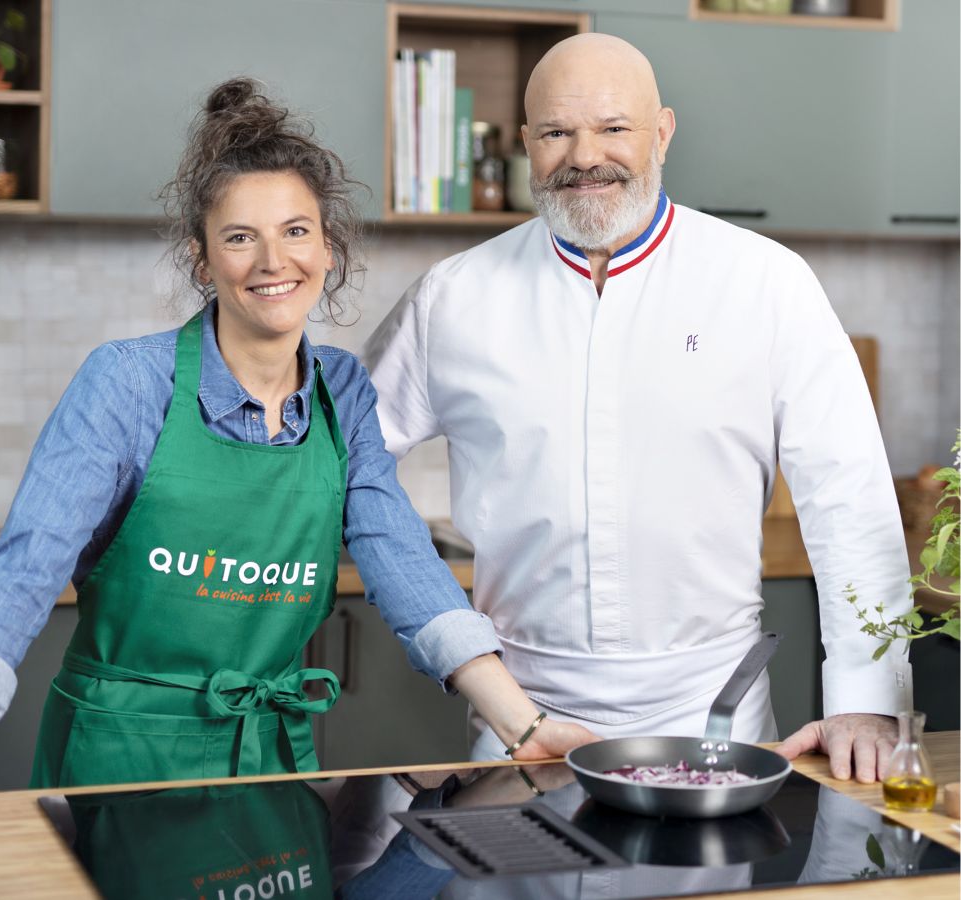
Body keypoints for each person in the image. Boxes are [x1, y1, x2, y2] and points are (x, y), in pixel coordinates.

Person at [0, 79, 598, 812]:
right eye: (240, 237)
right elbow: (24, 572)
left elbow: (407, 569)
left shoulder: (344, 394)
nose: (273, 260)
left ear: (327, 250)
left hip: (269, 760)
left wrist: (525, 725)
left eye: (296, 231)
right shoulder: (127, 384)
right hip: (119, 763)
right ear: (203, 261)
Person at [362, 34, 910, 781]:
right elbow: (347, 461)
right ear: (527, 143)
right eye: (556, 132)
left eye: (613, 128)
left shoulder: (766, 285)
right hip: (519, 716)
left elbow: (848, 499)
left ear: (661, 134)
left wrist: (869, 697)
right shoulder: (452, 296)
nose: (584, 155)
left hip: (711, 711)